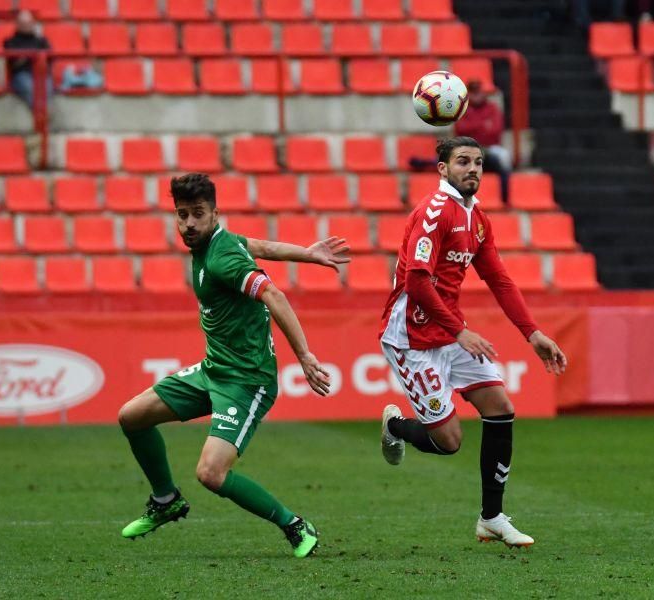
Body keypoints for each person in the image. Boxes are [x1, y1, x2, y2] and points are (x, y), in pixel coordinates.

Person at [116, 173, 350, 558]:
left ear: (214, 214)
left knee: (211, 473)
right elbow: (256, 245)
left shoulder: (222, 258)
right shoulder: (219, 243)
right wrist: (306, 254)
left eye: (197, 214)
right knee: (132, 416)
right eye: (182, 214)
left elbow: (272, 293)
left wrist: (305, 356)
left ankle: (293, 524)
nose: (189, 223)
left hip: (247, 381)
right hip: (214, 370)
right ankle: (166, 499)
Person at [378, 137, 567, 548]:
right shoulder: (434, 213)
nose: (473, 169)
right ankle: (394, 426)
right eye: (462, 161)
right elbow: (416, 281)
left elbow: (499, 278)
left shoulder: (477, 217)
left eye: (479, 162)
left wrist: (532, 333)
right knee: (448, 442)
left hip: (449, 331)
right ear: (442, 169)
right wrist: (460, 330)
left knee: (501, 408)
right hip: (411, 337)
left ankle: (492, 517)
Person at [454, 79, 511, 203]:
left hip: (490, 147)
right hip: (469, 147)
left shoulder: (492, 108)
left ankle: (505, 197)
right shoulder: (463, 108)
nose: (476, 95)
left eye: (478, 92)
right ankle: (457, 197)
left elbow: (495, 130)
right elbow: (460, 129)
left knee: (504, 156)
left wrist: (473, 128)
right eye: (473, 92)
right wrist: (483, 125)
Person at [2, 10, 51, 108]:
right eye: (23, 23)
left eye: (28, 23)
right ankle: (42, 114)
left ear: (33, 23)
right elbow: (14, 63)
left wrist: (27, 57)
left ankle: (43, 114)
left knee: (48, 87)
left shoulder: (41, 41)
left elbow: (49, 59)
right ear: (17, 24)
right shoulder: (10, 42)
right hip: (21, 75)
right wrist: (31, 57)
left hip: (40, 75)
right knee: (29, 86)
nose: (26, 26)